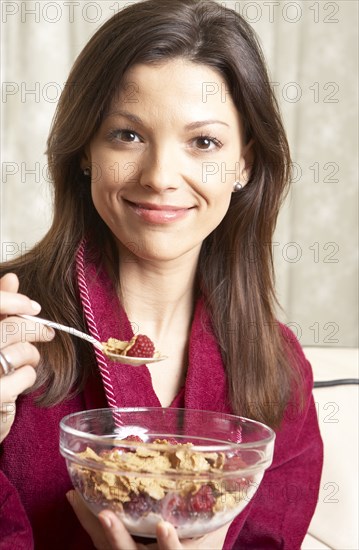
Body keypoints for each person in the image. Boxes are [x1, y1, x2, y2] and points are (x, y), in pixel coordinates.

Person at [0, 0, 323, 548]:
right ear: (85, 152)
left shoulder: (278, 370)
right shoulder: (11, 328)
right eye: (127, 135)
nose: (159, 177)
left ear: (244, 163)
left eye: (204, 142)